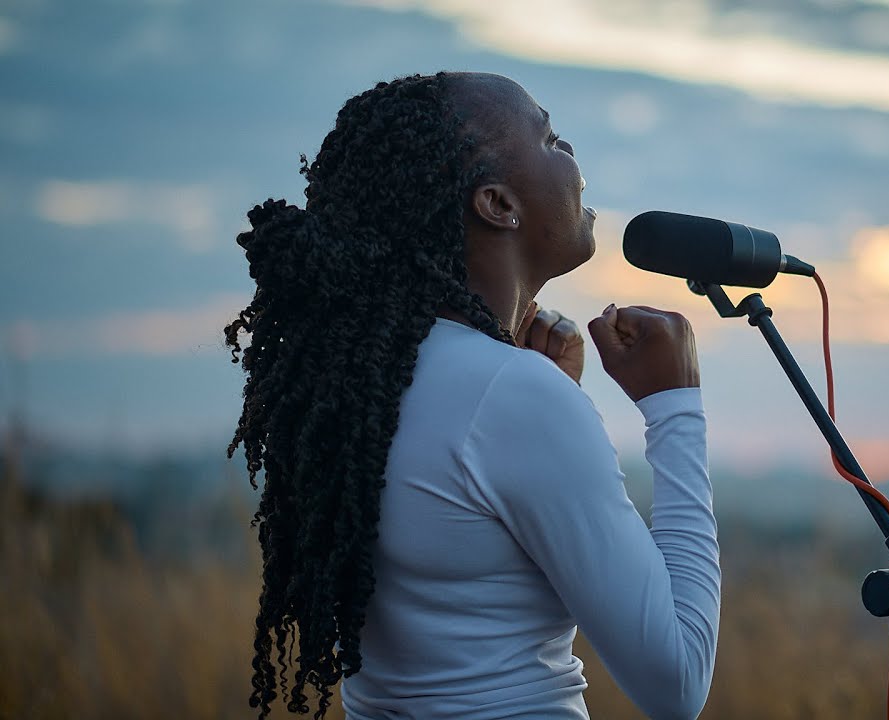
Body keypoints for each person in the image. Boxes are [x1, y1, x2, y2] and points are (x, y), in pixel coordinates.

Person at [224, 71, 720, 720]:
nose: (574, 160)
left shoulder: (358, 387)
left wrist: (535, 387)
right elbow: (677, 683)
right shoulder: (513, 395)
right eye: (551, 139)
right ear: (498, 204)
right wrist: (674, 405)